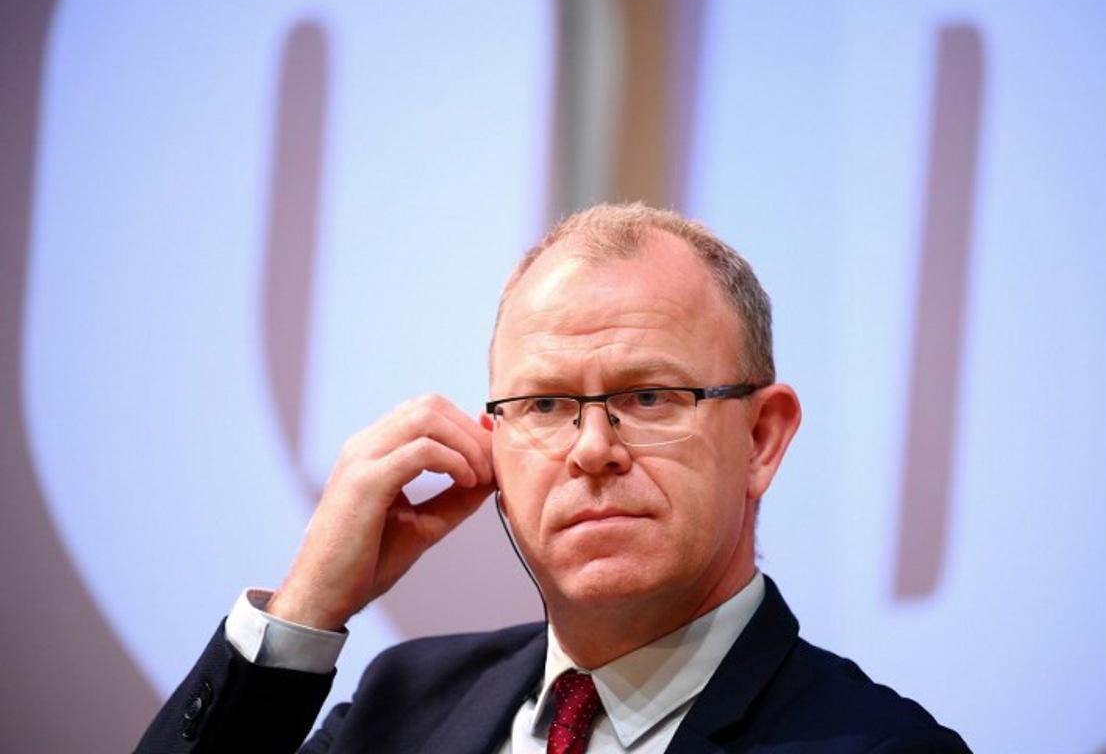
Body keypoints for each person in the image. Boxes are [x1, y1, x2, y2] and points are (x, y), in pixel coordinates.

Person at [137, 204, 969, 753]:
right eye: (543, 404)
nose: (592, 448)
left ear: (761, 438)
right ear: (492, 445)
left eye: (648, 396)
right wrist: (307, 610)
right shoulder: (403, 706)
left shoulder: (882, 747)